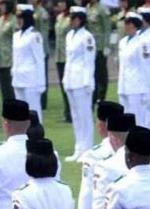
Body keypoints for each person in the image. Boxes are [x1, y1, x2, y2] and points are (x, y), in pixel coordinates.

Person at [62, 7, 96, 161]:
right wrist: (65, 78)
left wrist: (88, 81)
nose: (72, 21)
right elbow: (69, 59)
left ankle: (87, 149)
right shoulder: (70, 35)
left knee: (84, 116)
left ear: (80, 19)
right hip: (71, 79)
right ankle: (79, 147)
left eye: (74, 18)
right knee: (75, 115)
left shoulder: (87, 37)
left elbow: (89, 61)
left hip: (82, 80)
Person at [11, 4, 45, 120]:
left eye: (21, 17)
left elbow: (39, 60)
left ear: (28, 18)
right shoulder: (16, 35)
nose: (19, 20)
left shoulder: (34, 36)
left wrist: (41, 83)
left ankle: (37, 131)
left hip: (31, 80)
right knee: (20, 113)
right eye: (17, 17)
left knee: (33, 111)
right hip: (18, 78)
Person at [86, 0, 111, 104]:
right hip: (90, 45)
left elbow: (107, 28)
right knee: (92, 72)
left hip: (100, 44)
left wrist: (107, 45)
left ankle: (101, 95)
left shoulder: (102, 8)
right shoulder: (88, 7)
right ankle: (94, 94)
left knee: (101, 72)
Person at [53, 0, 72, 122]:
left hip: (68, 55)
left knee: (69, 86)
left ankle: (70, 112)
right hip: (59, 55)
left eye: (62, 2)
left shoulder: (72, 18)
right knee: (63, 85)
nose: (59, 4)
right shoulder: (59, 17)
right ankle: (67, 111)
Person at [0, 0, 16, 101]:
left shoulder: (14, 20)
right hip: (0, 58)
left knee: (11, 87)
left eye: (3, 4)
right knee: (3, 87)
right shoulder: (0, 20)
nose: (1, 7)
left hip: (10, 57)